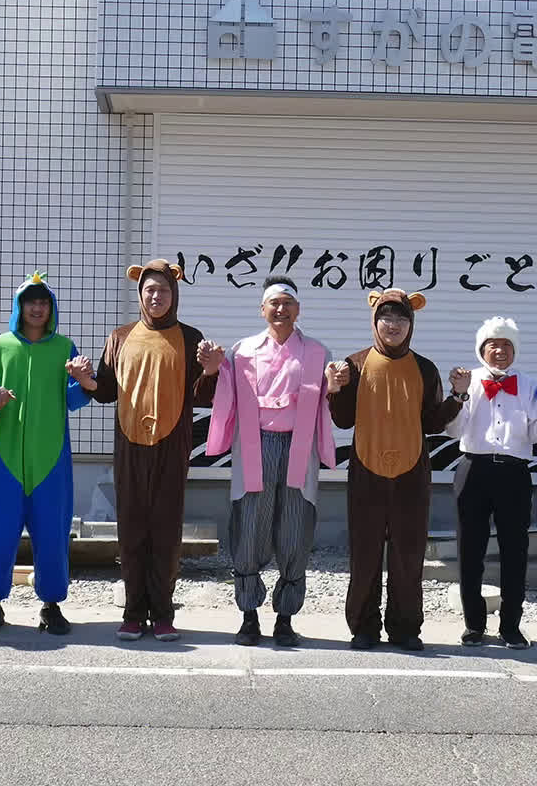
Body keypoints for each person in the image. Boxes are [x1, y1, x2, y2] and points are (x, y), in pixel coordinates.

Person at [90, 259, 222, 641]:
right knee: (131, 529)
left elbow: (204, 398)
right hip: (130, 445)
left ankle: (163, 613)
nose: (156, 296)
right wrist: (86, 380)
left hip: (171, 445)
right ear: (139, 294)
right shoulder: (120, 337)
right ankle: (133, 612)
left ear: (174, 294)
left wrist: (211, 371)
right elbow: (105, 391)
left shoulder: (191, 338)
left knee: (165, 531)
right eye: (149, 289)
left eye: (163, 290)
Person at [205, 276, 340, 647]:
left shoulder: (317, 352)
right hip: (255, 444)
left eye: (287, 303)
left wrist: (336, 387)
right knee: (249, 524)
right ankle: (249, 616)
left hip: (299, 445)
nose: (280, 310)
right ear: (262, 309)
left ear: (298, 309)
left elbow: (327, 402)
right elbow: (225, 397)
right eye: (274, 303)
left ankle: (285, 618)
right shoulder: (242, 351)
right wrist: (214, 369)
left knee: (295, 527)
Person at [330, 289, 463, 652]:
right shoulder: (355, 364)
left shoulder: (424, 368)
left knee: (408, 552)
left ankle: (405, 628)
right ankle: (363, 627)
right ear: (374, 322)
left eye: (401, 319)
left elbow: (433, 421)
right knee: (365, 551)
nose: (393, 325)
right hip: (366, 470)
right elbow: (342, 420)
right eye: (386, 318)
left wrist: (458, 397)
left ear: (411, 324)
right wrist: (335, 389)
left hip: (412, 472)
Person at [0, 273, 94, 637]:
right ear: (19, 306)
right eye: (30, 301)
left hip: (49, 457)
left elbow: (73, 400)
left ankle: (51, 605)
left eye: (43, 302)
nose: (37, 307)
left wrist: (84, 381)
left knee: (53, 532)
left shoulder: (65, 348)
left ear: (50, 308)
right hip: (0, 456)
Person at [443, 317, 537, 650]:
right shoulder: (466, 380)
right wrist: (459, 394)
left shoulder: (526, 385)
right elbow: (453, 432)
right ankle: (473, 625)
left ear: (515, 350)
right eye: (492, 345)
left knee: (516, 550)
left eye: (506, 345)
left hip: (514, 473)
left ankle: (511, 625)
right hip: (473, 469)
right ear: (482, 349)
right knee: (470, 549)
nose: (499, 351)